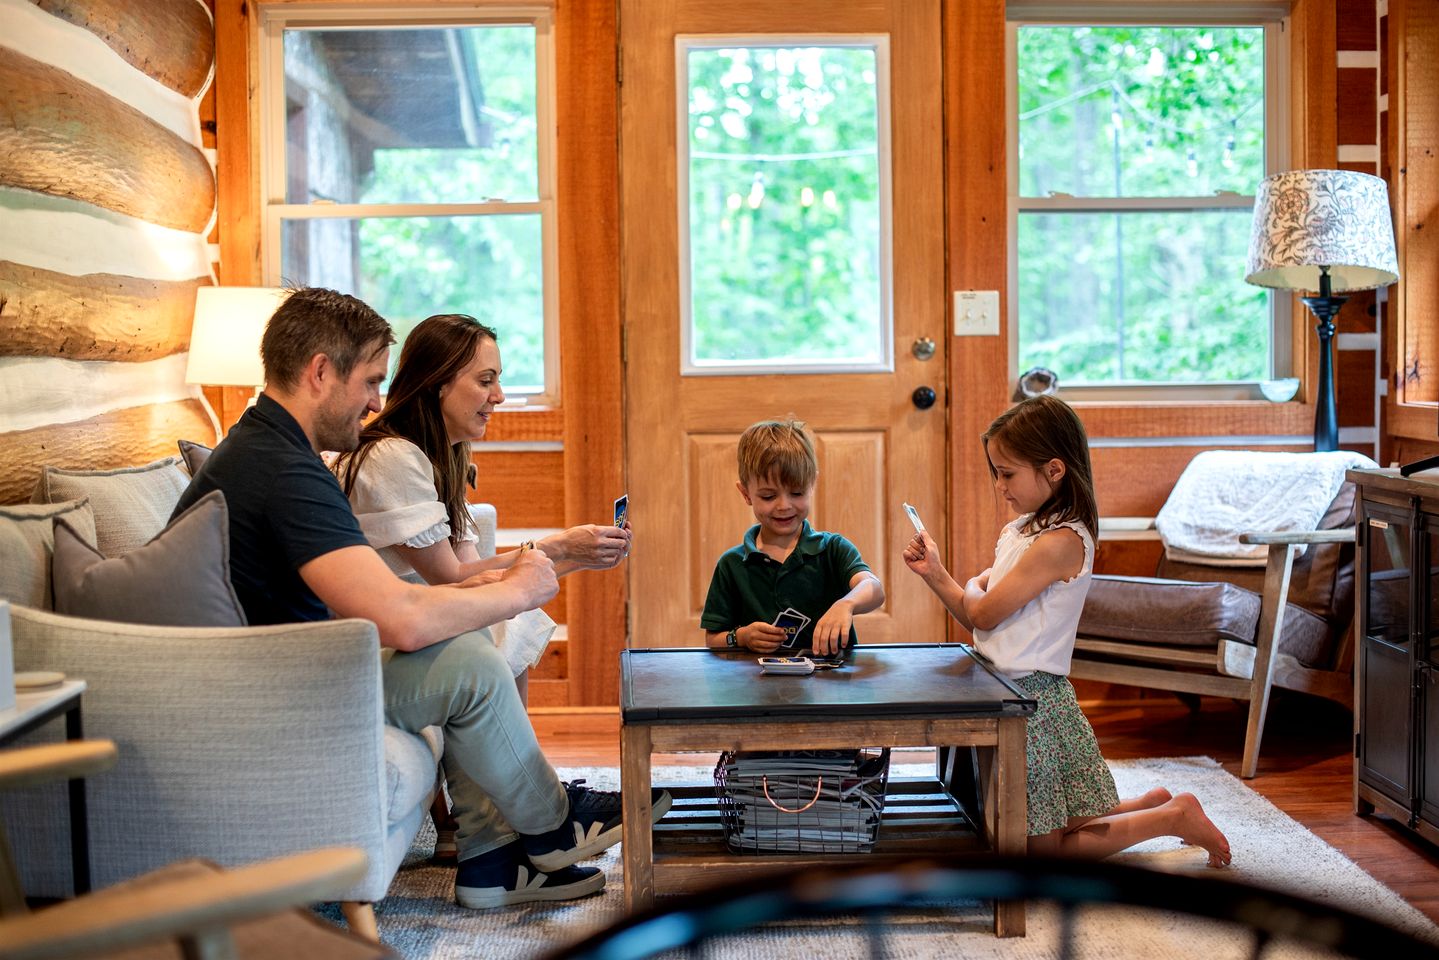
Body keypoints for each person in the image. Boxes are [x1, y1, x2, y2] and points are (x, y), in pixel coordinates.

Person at [173, 287, 668, 909]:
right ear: (320, 372)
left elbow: (386, 599)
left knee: (465, 647)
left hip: (284, 671)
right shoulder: (283, 473)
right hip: (274, 696)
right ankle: (552, 822)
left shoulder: (270, 450)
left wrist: (534, 572)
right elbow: (403, 618)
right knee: (468, 660)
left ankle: (495, 860)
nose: (379, 401)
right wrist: (519, 587)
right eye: (371, 381)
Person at [331, 312, 632, 862]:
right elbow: (450, 580)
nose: (498, 396)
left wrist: (565, 555)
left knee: (502, 615)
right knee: (491, 621)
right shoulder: (392, 456)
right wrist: (557, 549)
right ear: (438, 381)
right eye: (485, 380)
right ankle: (537, 818)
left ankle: (497, 824)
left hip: (414, 629)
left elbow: (472, 572)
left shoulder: (439, 456)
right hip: (382, 639)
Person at [902, 395, 1231, 867]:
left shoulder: (1060, 542)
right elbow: (976, 607)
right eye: (996, 472)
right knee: (1040, 821)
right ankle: (1150, 804)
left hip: (1032, 699)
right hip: (1003, 688)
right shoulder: (1022, 531)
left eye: (1007, 473)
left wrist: (975, 589)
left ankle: (1173, 815)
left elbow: (984, 610)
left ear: (1054, 470)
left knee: (1042, 855)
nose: (999, 485)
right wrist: (937, 573)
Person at [699, 418, 884, 656]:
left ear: (812, 484)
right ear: (745, 494)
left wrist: (846, 604)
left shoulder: (833, 549)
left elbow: (874, 589)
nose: (784, 506)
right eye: (768, 496)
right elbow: (713, 638)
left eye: (796, 493)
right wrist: (742, 636)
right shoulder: (731, 564)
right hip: (756, 686)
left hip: (830, 687)